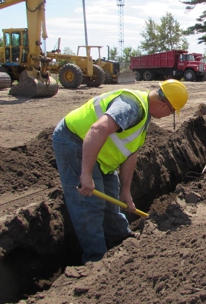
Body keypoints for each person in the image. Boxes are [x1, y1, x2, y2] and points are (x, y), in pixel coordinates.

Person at [52, 79, 188, 263]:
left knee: (112, 200)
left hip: (101, 156)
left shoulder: (146, 114)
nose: (167, 116)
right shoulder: (132, 107)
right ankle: (95, 259)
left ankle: (119, 238)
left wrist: (125, 192)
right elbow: (98, 128)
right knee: (89, 205)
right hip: (75, 141)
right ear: (164, 105)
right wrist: (85, 174)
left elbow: (130, 153)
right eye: (171, 112)